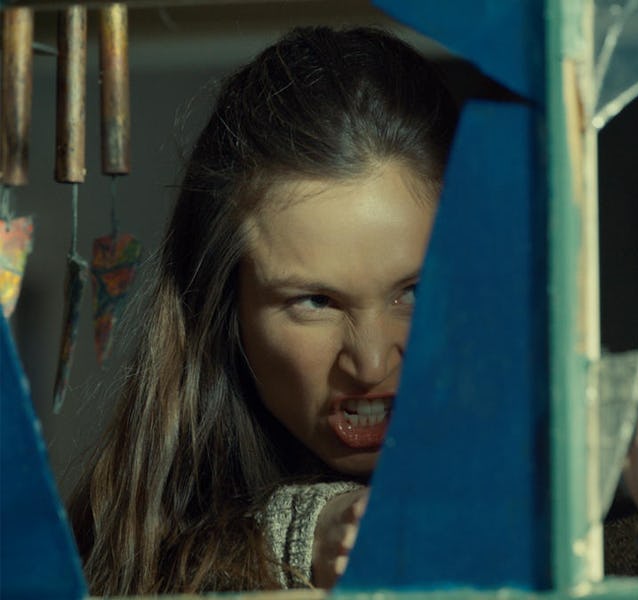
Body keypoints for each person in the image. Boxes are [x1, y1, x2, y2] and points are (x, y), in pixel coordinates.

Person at [68, 25, 457, 595]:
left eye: (415, 293)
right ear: (230, 309)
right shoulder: (125, 537)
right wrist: (303, 535)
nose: (371, 362)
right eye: (315, 301)